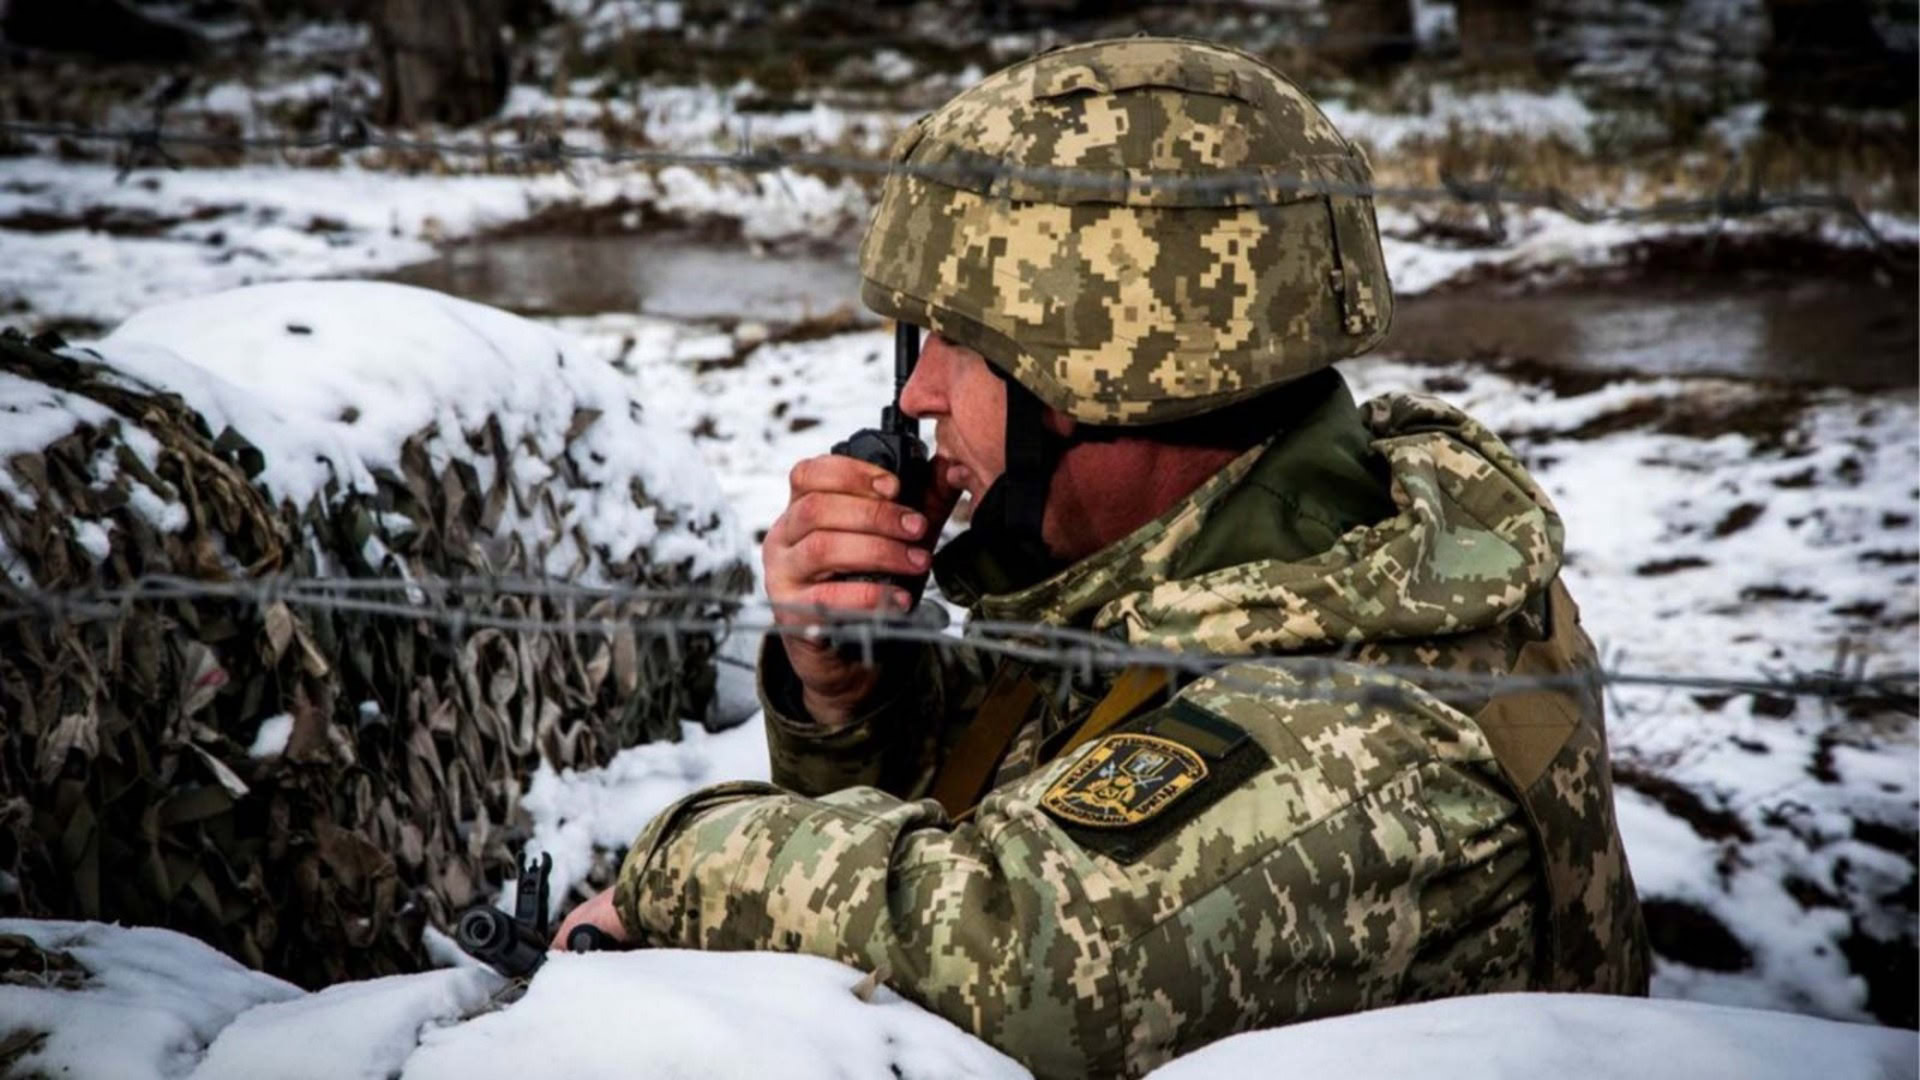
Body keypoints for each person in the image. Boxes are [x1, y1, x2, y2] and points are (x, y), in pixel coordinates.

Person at [555, 36, 1649, 1078]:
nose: (919, 395)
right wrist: (851, 693)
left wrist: (679, 869)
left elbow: (1022, 965)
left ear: (1113, 377)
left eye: (959, 344)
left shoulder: (1362, 729)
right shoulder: (1202, 571)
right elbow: (980, 820)